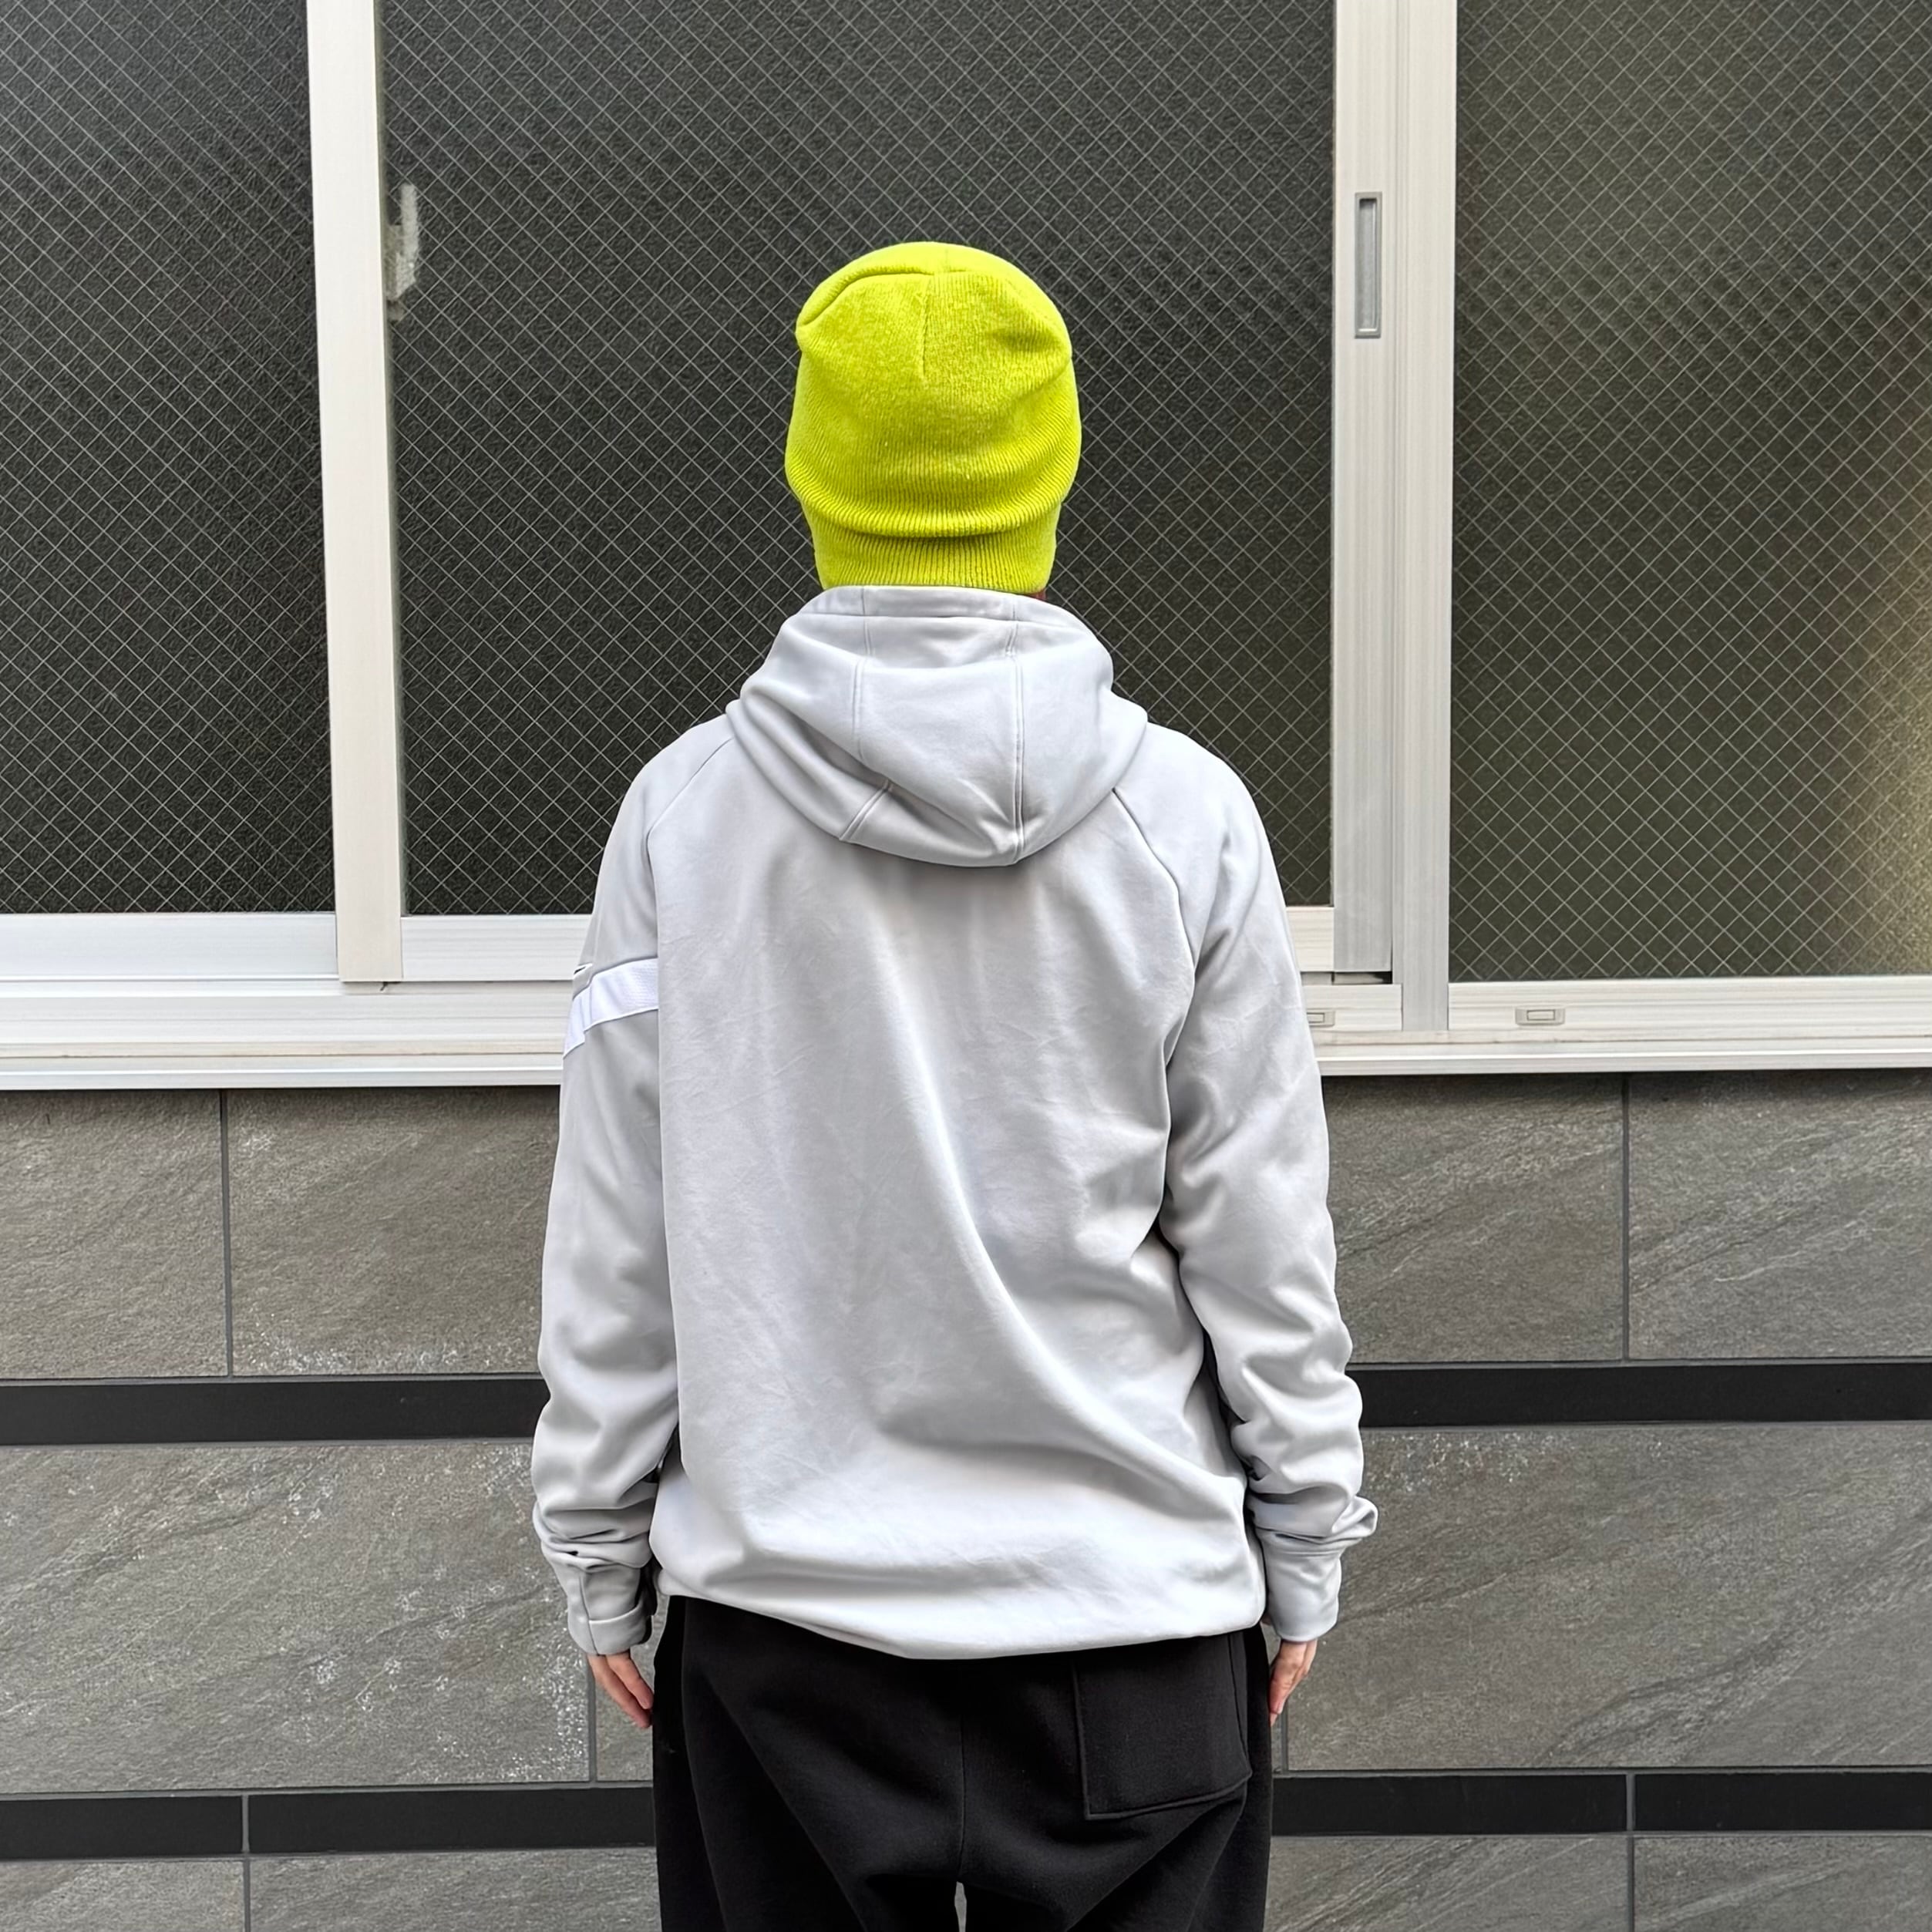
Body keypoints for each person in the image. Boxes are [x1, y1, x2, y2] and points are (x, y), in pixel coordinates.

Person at [528, 238, 1378, 1931]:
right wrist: (1301, 1531)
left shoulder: (685, 817)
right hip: (1132, 1619)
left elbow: (620, 1232)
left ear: (811, 475)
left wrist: (596, 1542)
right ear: (1049, 475)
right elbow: (1259, 1230)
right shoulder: (1183, 815)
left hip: (788, 1635)